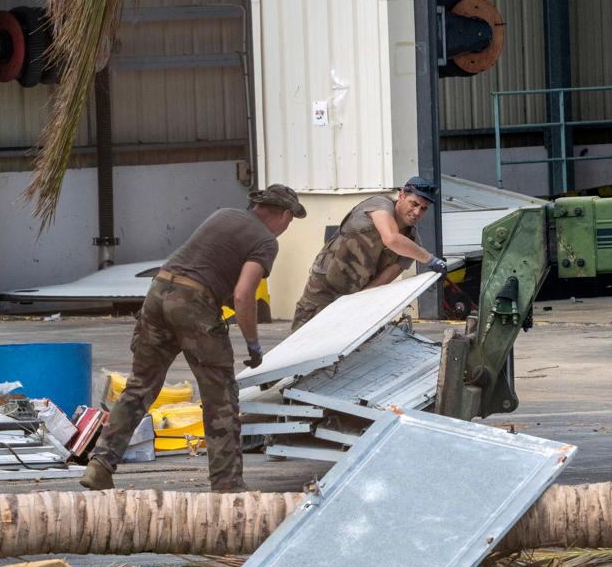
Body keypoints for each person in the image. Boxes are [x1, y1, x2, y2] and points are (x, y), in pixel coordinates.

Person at [83, 184, 306, 493]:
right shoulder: (265, 241)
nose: (286, 228)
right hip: (193, 305)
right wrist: (254, 345)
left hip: (158, 292)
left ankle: (100, 465)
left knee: (140, 386)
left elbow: (212, 265)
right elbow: (244, 295)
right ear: (282, 215)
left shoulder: (223, 215)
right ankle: (227, 484)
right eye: (290, 221)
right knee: (220, 397)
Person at [291, 176, 446, 331]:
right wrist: (429, 259)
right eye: (414, 203)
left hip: (356, 296)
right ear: (401, 195)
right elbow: (391, 238)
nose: (417, 211)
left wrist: (356, 305)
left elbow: (382, 280)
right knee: (302, 338)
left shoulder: (412, 243)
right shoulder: (379, 205)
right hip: (325, 286)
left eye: (424, 208)